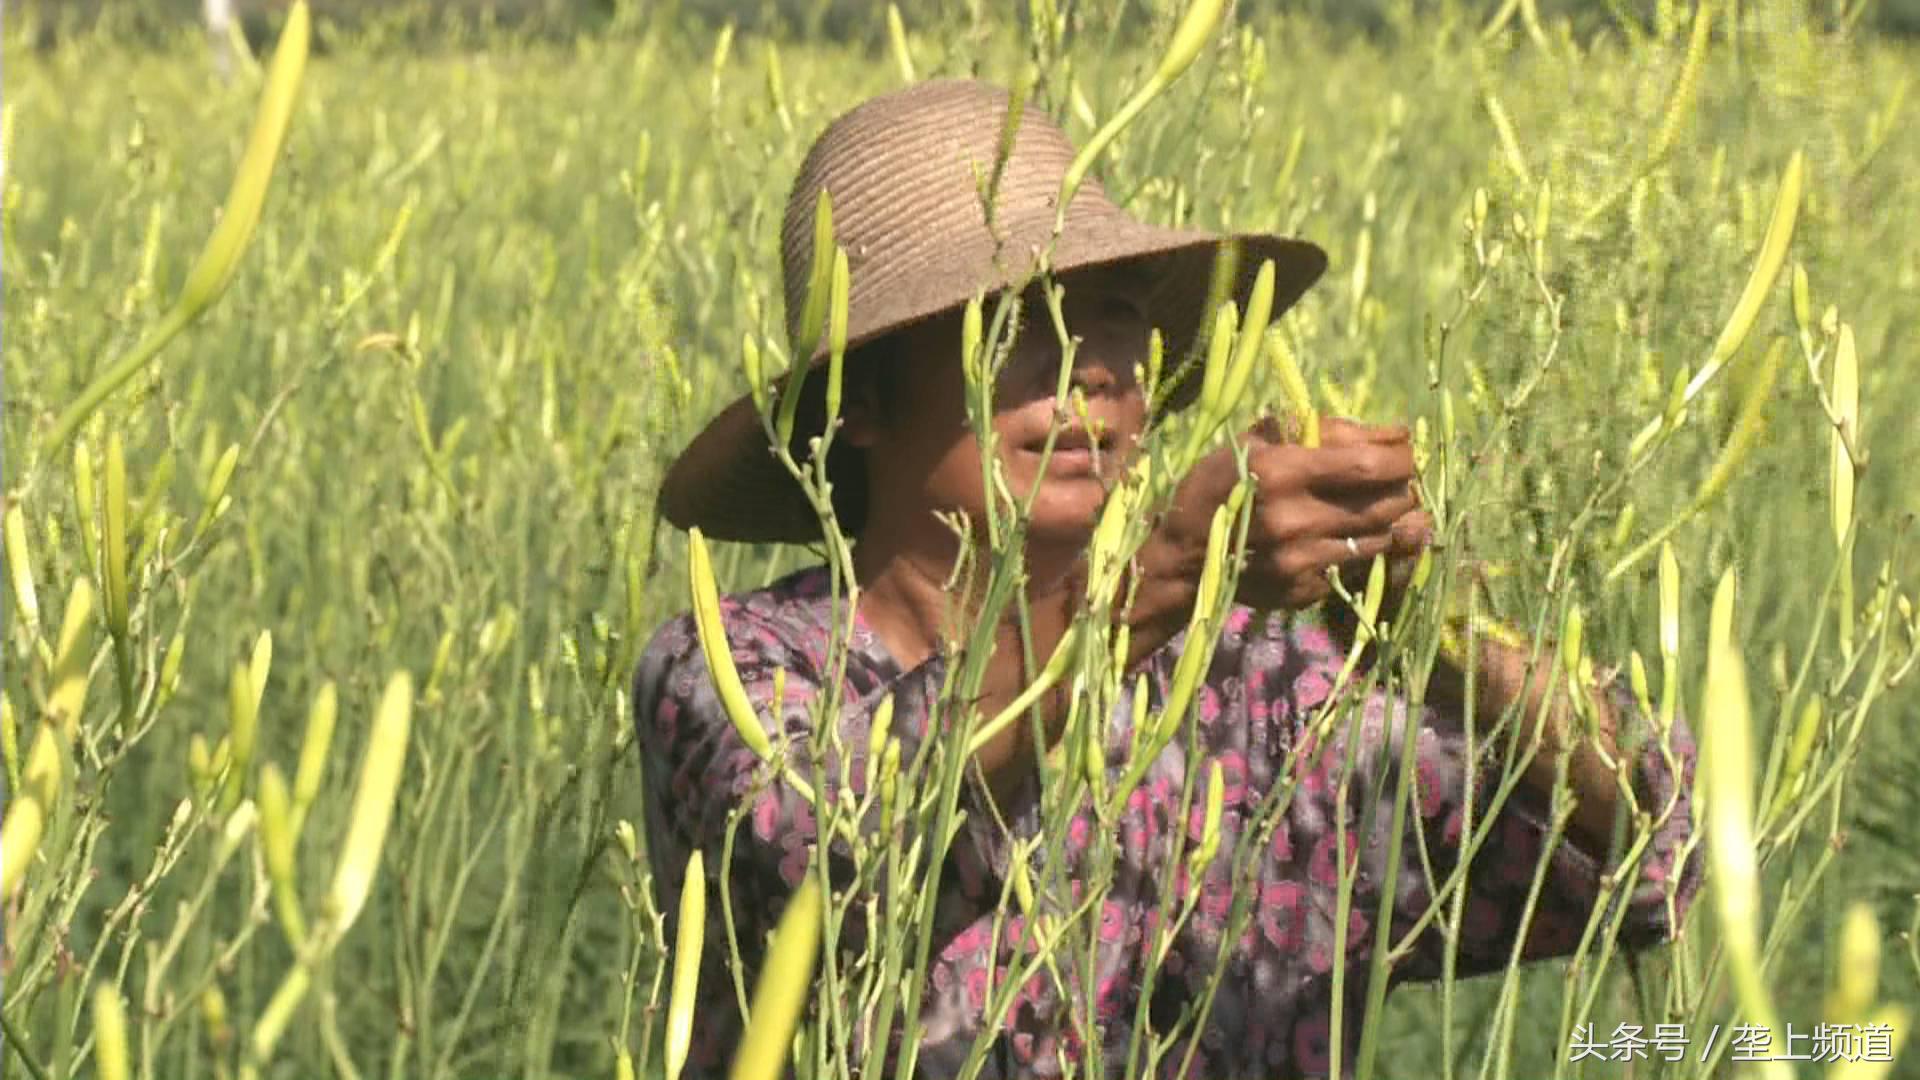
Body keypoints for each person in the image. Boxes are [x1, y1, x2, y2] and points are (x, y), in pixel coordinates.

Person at [635, 78, 1702, 1079]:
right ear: (857, 400)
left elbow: (1655, 850)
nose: (1093, 365)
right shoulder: (728, 667)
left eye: (1117, 313)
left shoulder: (1260, 690)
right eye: (1019, 322)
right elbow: (828, 847)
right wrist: (1171, 570)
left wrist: (1428, 627)